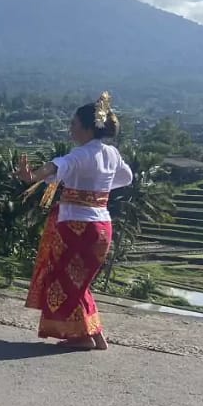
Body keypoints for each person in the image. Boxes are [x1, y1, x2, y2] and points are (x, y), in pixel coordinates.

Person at [16, 92, 133, 351]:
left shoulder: (81, 154)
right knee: (78, 282)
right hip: (102, 227)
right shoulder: (112, 153)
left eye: (74, 125)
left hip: (76, 227)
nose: (71, 130)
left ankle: (81, 337)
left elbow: (56, 166)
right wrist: (98, 189)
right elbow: (127, 177)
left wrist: (33, 175)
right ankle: (95, 333)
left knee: (66, 282)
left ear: (89, 129)